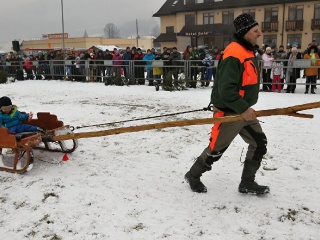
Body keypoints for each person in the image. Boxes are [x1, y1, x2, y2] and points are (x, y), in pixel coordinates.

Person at [185, 13, 269, 195]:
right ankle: (193, 175)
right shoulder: (234, 53)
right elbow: (226, 90)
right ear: (245, 32)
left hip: (243, 111)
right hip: (230, 113)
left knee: (259, 143)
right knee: (215, 151)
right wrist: (243, 109)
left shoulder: (247, 51)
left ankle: (247, 182)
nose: (259, 34)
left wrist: (245, 109)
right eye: (255, 30)